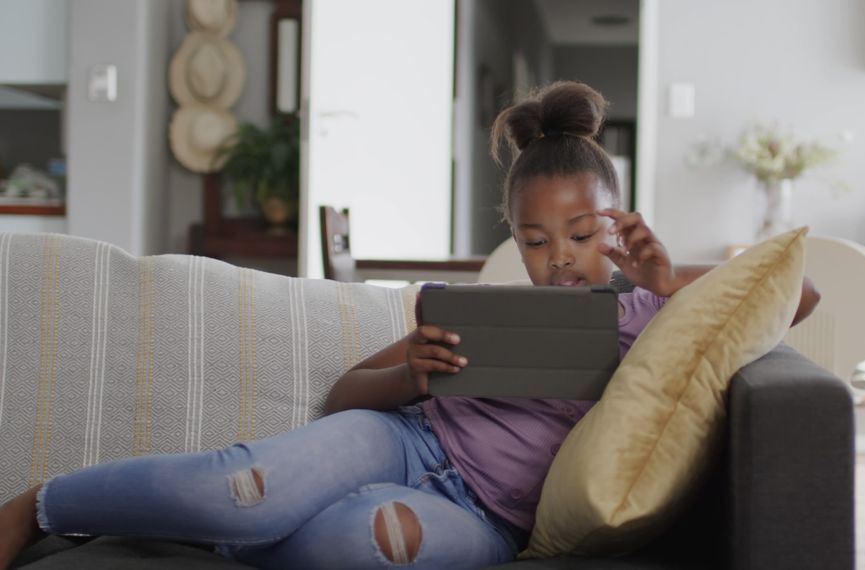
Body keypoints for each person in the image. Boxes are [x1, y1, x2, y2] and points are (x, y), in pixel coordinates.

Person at [0, 81, 819, 569]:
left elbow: (800, 293)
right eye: (535, 241)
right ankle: (42, 504)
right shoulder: (487, 313)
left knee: (374, 544)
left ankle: (225, 537)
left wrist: (668, 279)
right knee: (241, 487)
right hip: (403, 440)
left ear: (618, 222)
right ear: (513, 241)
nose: (560, 259)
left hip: (489, 516)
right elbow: (342, 395)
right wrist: (413, 376)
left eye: (581, 235)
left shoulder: (657, 315)